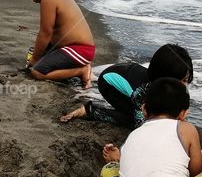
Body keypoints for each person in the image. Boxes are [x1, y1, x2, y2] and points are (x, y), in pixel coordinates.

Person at [59, 44, 193, 128]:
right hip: (109, 83)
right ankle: (90, 110)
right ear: (164, 76)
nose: (184, 85)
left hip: (126, 73)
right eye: (180, 81)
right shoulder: (142, 92)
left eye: (186, 80)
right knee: (132, 120)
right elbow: (142, 127)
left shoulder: (163, 85)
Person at [15, 0, 95, 88]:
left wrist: (35, 60)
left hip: (79, 50)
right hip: (73, 48)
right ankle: (76, 67)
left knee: (37, 72)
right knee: (36, 53)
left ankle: (81, 70)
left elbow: (45, 33)